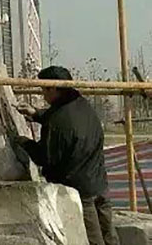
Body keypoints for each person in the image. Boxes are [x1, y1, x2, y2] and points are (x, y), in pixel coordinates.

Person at [15, 66, 118, 245]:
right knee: (109, 235)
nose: (42, 95)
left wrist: (25, 143)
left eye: (44, 89)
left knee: (93, 239)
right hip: (99, 183)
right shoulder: (81, 104)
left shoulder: (58, 121)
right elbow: (64, 119)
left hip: (79, 189)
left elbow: (45, 157)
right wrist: (37, 114)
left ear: (54, 88)